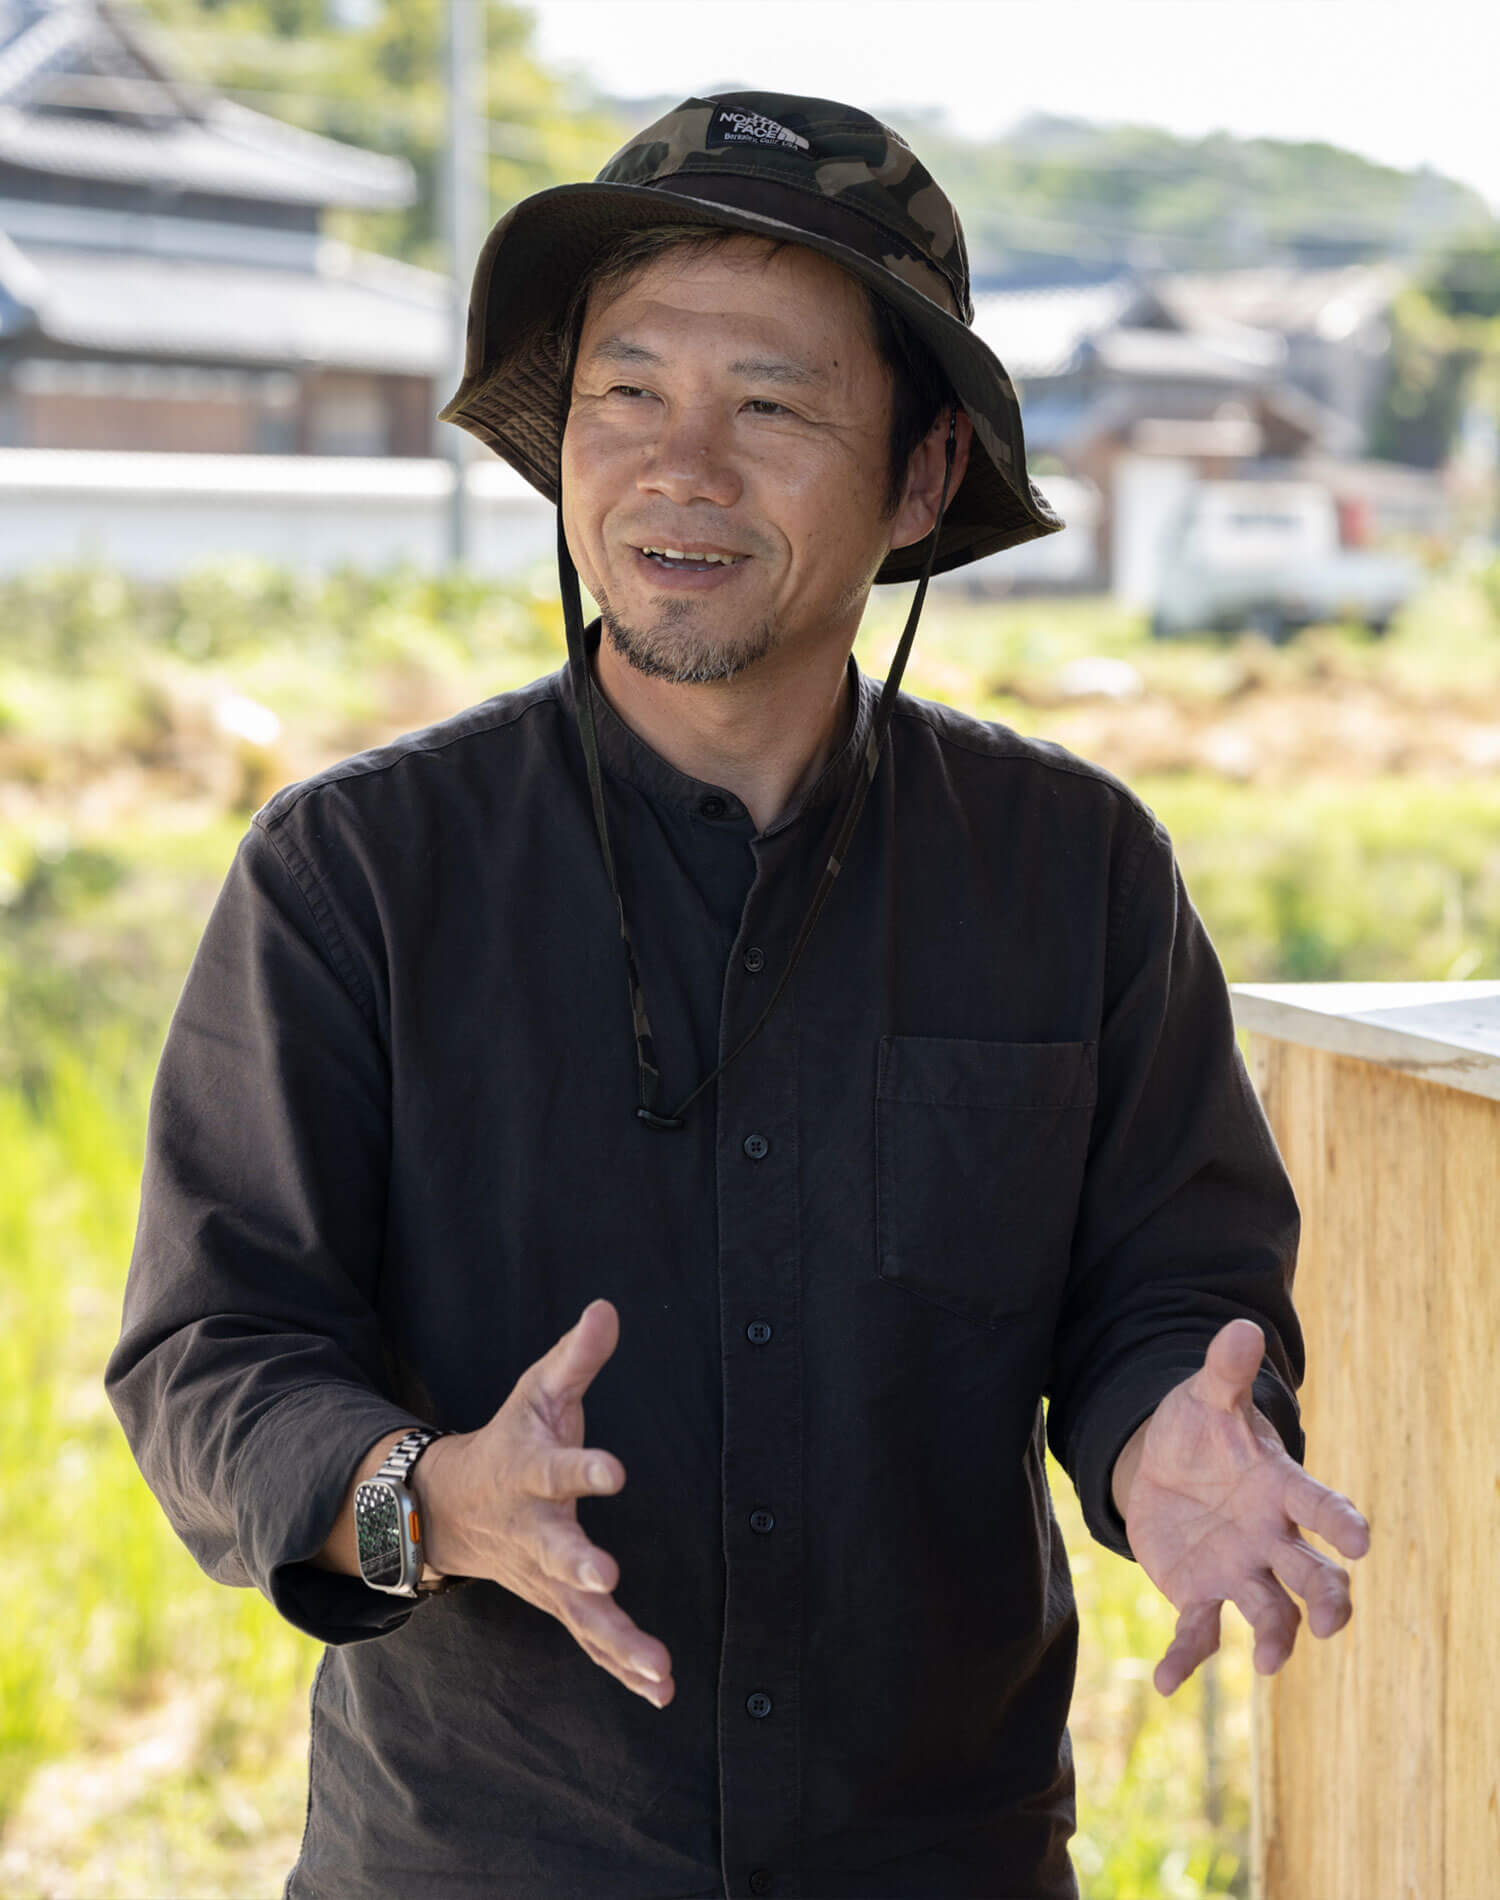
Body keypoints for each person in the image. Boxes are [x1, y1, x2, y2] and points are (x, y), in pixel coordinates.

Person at [105, 91, 1370, 1900]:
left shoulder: (1072, 871)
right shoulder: (358, 874)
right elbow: (212, 1350)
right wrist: (431, 1495)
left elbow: (1168, 1292)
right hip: (478, 1858)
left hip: (940, 1856)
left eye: (769, 405)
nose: (677, 465)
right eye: (627, 393)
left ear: (922, 477)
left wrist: (1170, 1425)